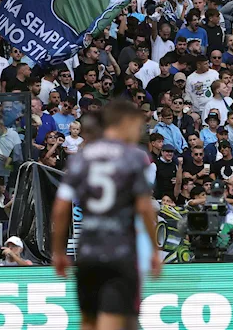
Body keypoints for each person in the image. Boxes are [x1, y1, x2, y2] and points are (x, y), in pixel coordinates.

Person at [53, 99, 162, 330]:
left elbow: (61, 207)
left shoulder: (81, 157)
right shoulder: (133, 157)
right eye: (137, 126)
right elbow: (144, 207)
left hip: (87, 253)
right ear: (125, 122)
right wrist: (154, 250)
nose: (139, 132)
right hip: (120, 253)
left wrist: (58, 252)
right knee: (113, 322)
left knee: (89, 322)